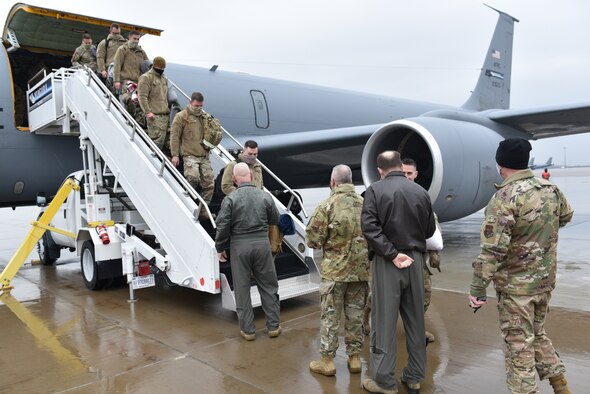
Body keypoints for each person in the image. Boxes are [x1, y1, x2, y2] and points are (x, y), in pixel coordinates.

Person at [469, 138, 573, 394]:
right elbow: (566, 215)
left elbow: (493, 249)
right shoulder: (551, 189)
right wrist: (538, 233)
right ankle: (561, 385)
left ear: (500, 164)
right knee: (536, 333)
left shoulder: (504, 197)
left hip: (517, 288)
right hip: (543, 282)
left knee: (518, 345)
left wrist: (477, 288)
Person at [361, 151, 436, 394]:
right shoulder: (420, 192)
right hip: (415, 260)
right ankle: (414, 377)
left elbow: (369, 228)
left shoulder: (374, 190)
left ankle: (384, 381)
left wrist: (392, 254)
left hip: (388, 261)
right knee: (415, 321)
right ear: (400, 165)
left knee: (384, 323)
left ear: (380, 168)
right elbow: (429, 229)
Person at [306, 165, 370, 376]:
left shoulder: (327, 206)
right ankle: (354, 359)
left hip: (334, 274)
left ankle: (327, 361)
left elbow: (313, 241)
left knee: (330, 317)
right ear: (351, 181)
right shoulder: (366, 205)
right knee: (356, 316)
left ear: (333, 182)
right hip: (360, 273)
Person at [215, 162, 281, 340]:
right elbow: (275, 218)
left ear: (235, 179)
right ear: (251, 176)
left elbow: (222, 226)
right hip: (261, 244)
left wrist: (220, 248)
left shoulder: (230, 199)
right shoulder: (264, 196)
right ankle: (273, 326)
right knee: (268, 285)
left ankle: (248, 330)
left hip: (239, 246)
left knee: (242, 288)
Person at [402, 158, 442, 344]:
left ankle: (417, 330)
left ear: (416, 175)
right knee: (378, 299)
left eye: (409, 173)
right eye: (403, 173)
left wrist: (435, 254)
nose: (406, 177)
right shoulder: (388, 196)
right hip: (393, 258)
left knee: (423, 295)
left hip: (418, 259)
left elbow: (434, 231)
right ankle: (370, 323)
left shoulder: (422, 198)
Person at [171, 92, 222, 212]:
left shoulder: (204, 117)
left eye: (201, 106)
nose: (198, 108)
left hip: (204, 156)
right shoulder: (181, 116)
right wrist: (175, 155)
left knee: (209, 184)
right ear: (190, 103)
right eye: (196, 105)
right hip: (190, 155)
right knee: (193, 178)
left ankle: (202, 211)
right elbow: (175, 136)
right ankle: (186, 204)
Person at [138, 57, 170, 150]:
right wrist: (148, 112)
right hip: (155, 116)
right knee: (156, 144)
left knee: (165, 144)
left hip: (165, 116)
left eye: (163, 69)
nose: (161, 70)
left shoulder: (164, 78)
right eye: (159, 68)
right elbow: (142, 96)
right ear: (154, 66)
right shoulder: (146, 77)